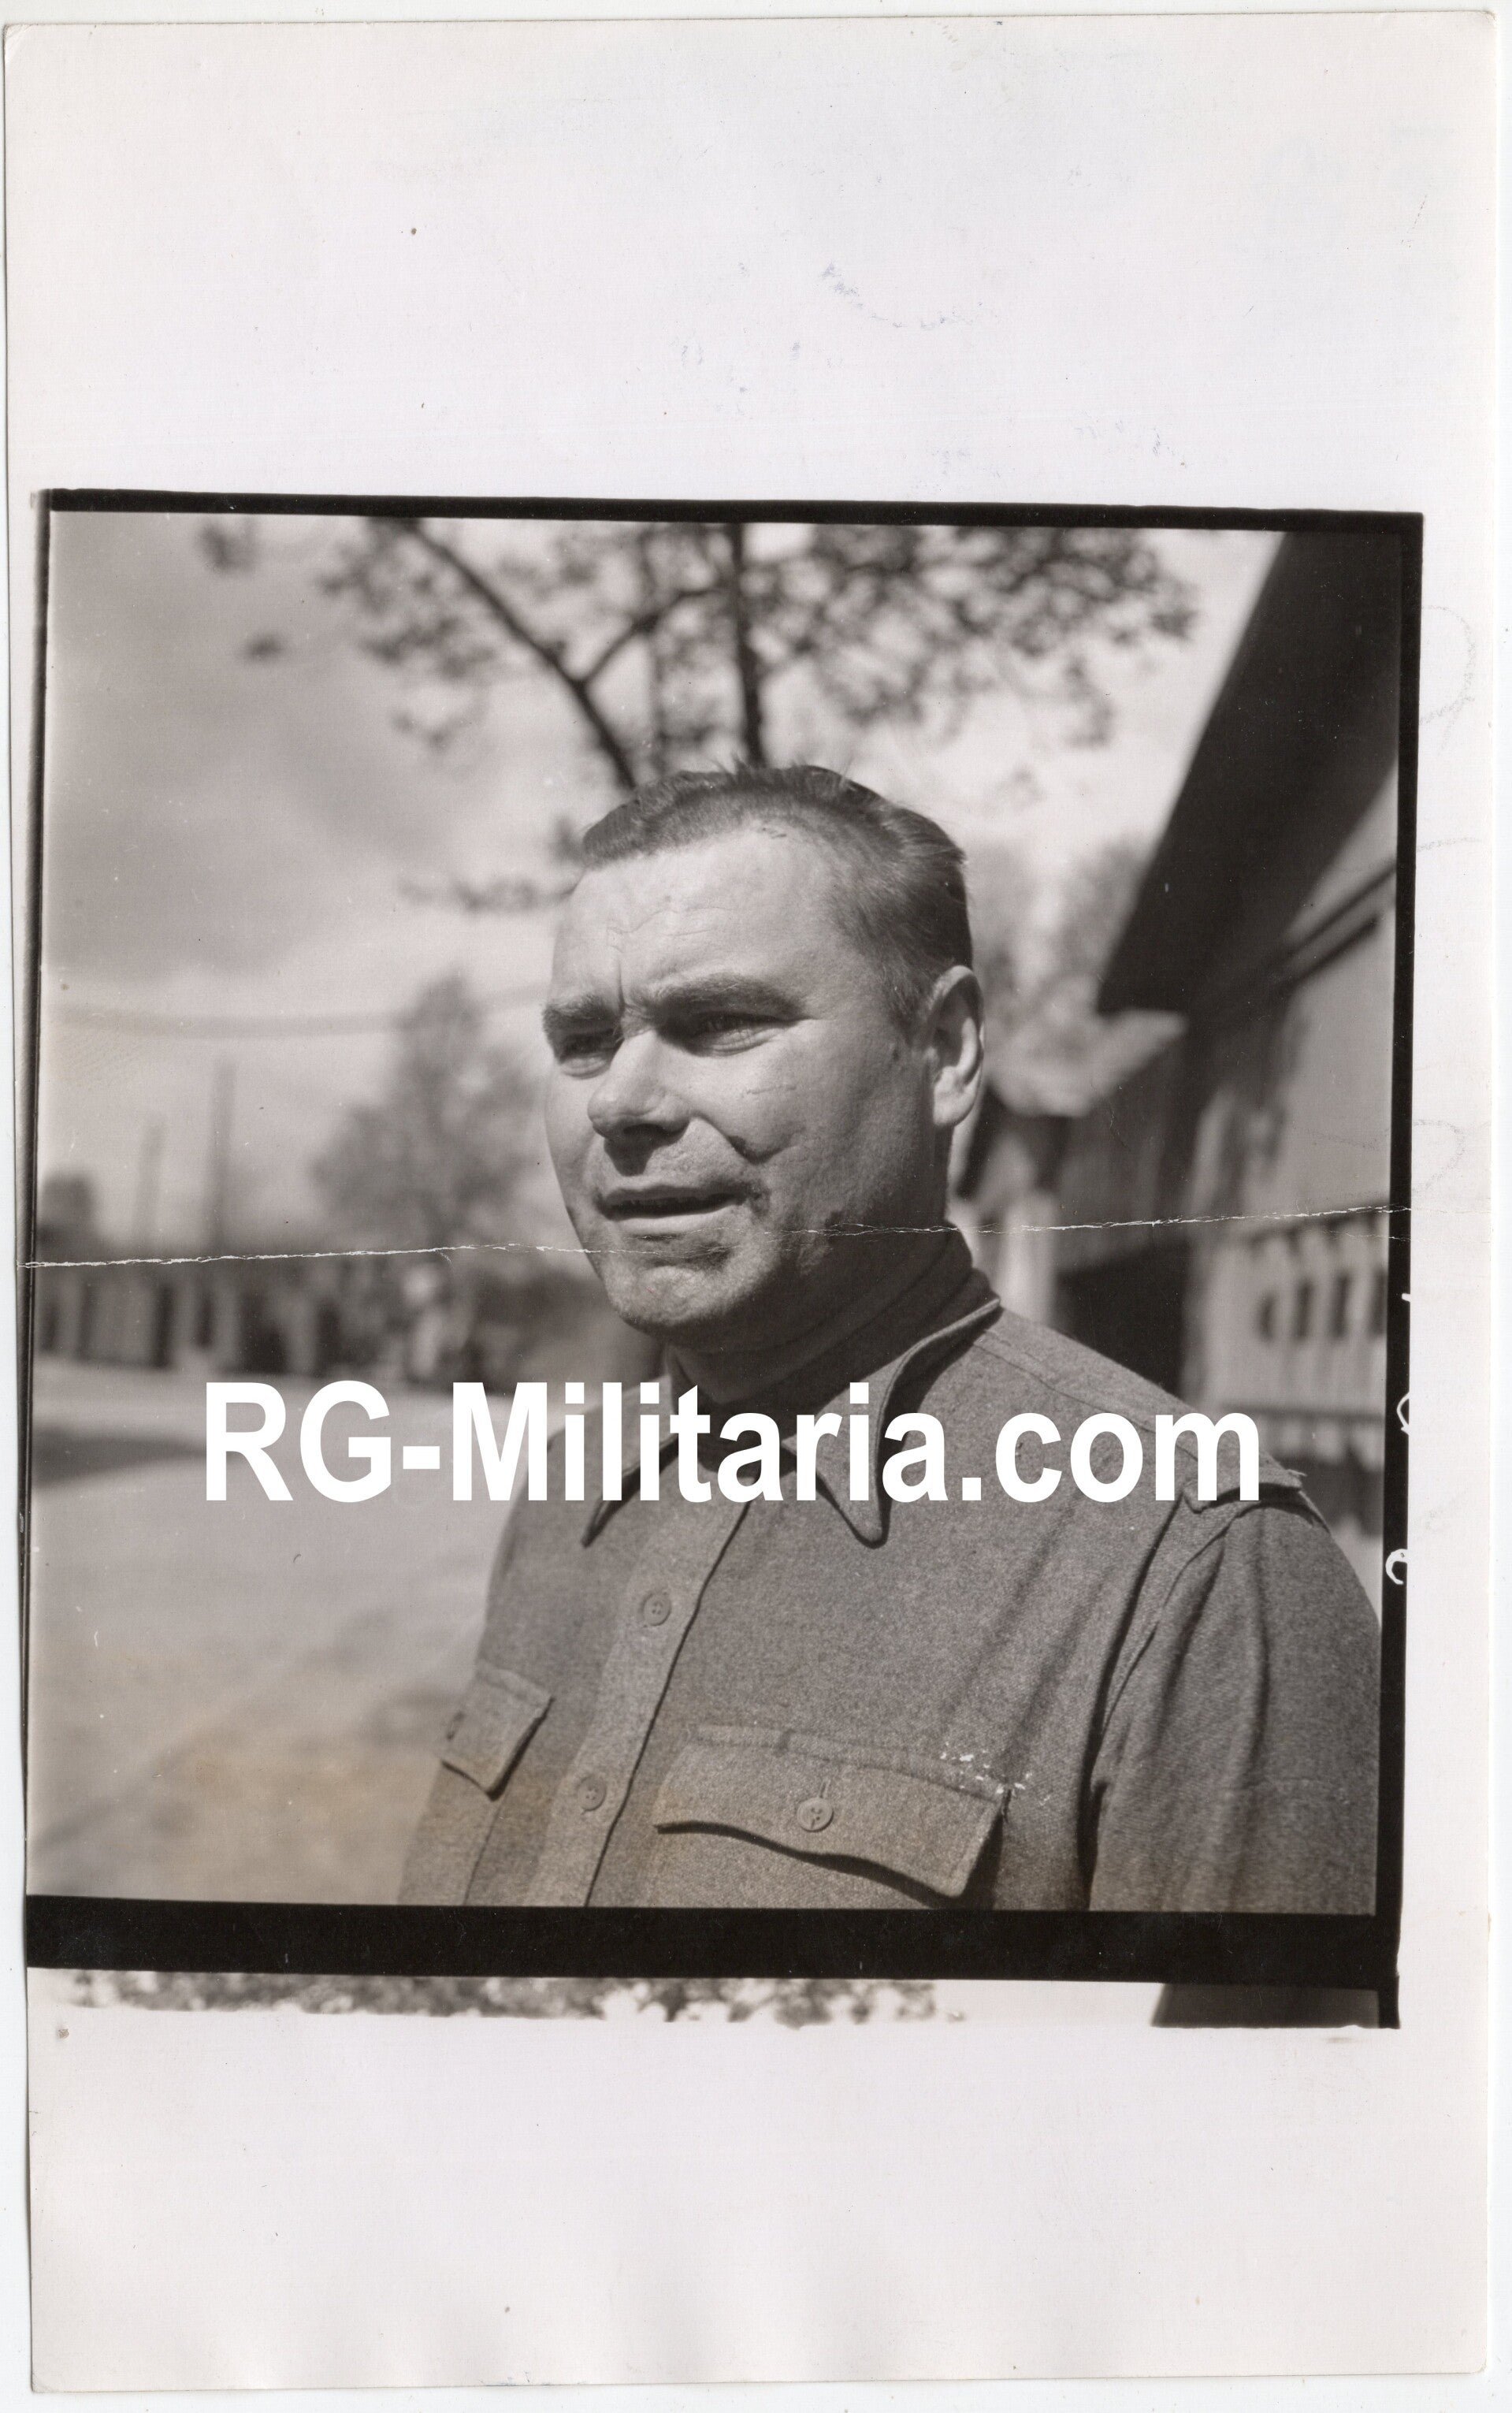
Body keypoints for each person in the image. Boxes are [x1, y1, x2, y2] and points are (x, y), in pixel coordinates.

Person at [402, 766, 1380, 1935]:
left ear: (947, 1049)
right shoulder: (566, 1498)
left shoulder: (1196, 1571)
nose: (623, 1100)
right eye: (581, 1039)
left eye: (718, 1022)